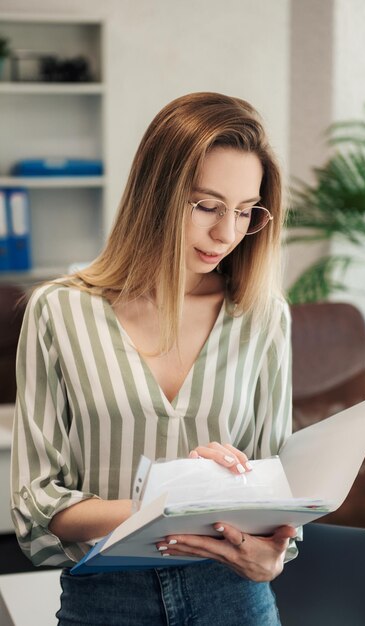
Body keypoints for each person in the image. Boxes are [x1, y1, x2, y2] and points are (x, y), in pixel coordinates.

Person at [11, 92, 298, 626]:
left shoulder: (262, 316)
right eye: (207, 206)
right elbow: (36, 504)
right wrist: (168, 502)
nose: (227, 234)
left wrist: (274, 556)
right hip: (105, 599)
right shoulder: (59, 310)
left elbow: (275, 486)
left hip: (232, 599)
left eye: (244, 212)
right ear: (155, 194)